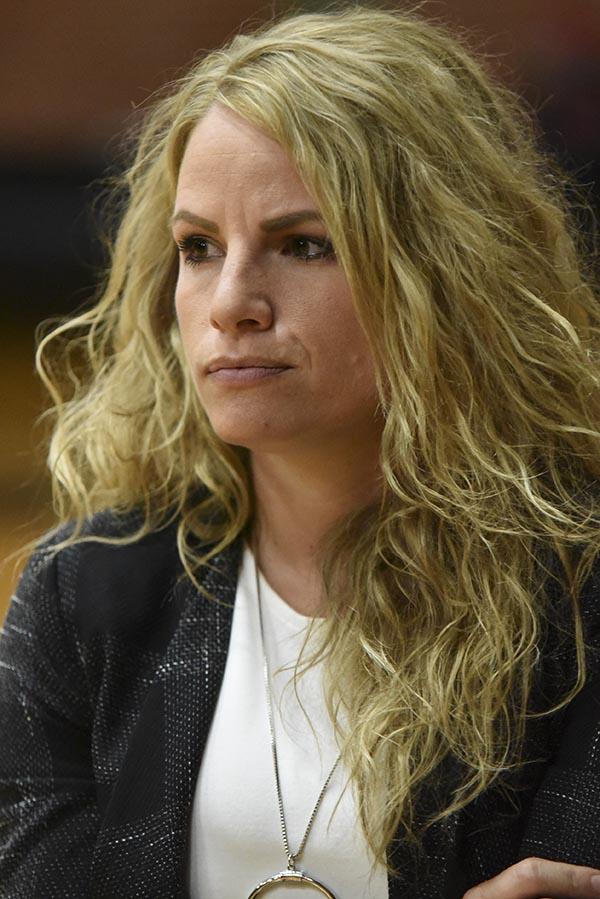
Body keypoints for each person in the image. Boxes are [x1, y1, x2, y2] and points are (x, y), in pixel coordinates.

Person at [1, 5, 600, 898]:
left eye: (303, 245)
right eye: (199, 248)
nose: (230, 301)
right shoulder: (82, 591)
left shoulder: (578, 588)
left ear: (441, 272)